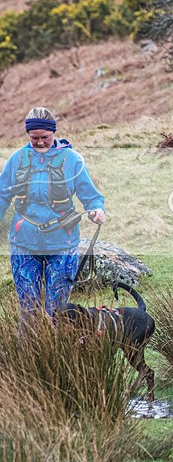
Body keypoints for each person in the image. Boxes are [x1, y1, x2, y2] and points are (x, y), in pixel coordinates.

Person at [0, 107, 106, 332]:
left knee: (57, 309)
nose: (39, 143)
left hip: (62, 243)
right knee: (29, 308)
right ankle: (27, 359)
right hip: (23, 243)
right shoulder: (17, 159)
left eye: (45, 137)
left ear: (54, 133)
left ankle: (58, 357)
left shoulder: (72, 160)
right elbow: (2, 194)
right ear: (28, 134)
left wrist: (97, 209)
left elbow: (91, 196)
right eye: (34, 138)